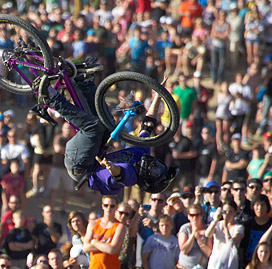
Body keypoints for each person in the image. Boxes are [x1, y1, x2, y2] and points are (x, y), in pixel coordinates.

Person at [32, 75, 178, 195]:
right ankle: (85, 83)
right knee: (109, 125)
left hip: (79, 165)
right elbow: (148, 123)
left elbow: (119, 173)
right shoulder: (142, 153)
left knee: (94, 127)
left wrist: (110, 166)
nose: (154, 165)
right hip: (96, 153)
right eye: (159, 166)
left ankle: (51, 98)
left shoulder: (131, 177)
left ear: (147, 179)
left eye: (155, 171)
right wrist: (159, 95)